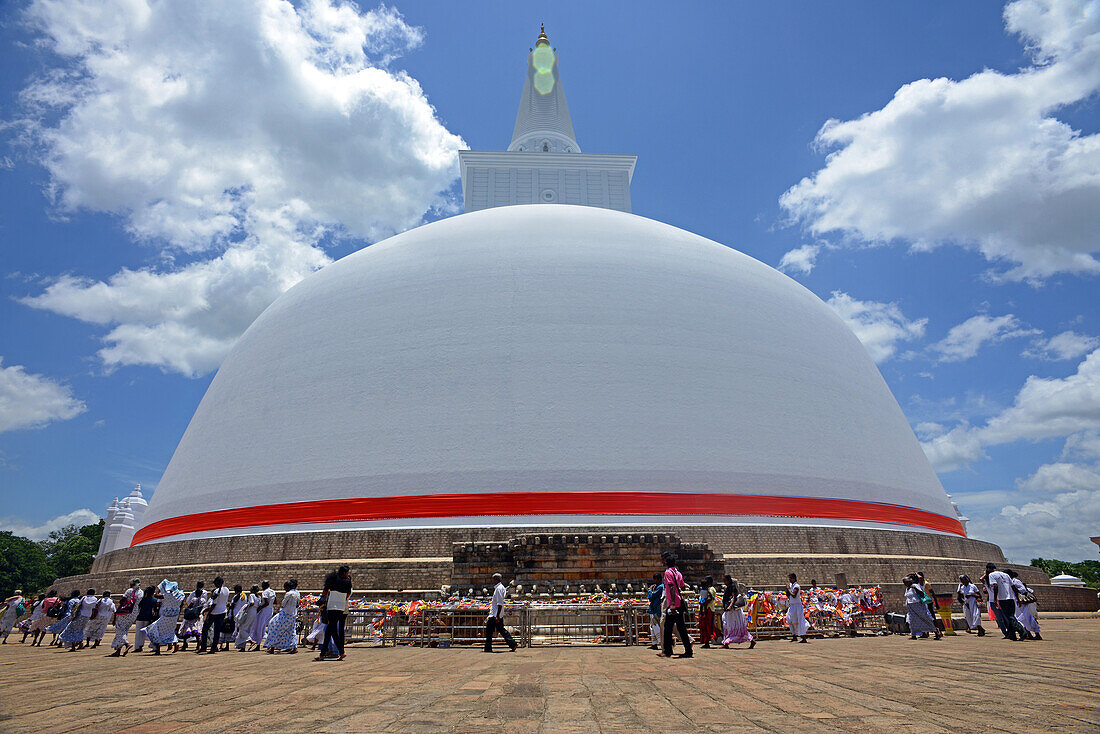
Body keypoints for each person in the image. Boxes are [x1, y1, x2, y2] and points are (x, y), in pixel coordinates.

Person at [659, 553, 692, 658]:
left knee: (668, 628)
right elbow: (682, 586)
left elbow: (672, 587)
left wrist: (672, 603)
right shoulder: (678, 573)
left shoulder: (668, 573)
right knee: (681, 628)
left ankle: (667, 651)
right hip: (679, 602)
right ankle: (688, 650)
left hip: (673, 603)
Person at [318, 566, 351, 661]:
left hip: (332, 607)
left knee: (330, 630)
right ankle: (325, 653)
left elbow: (325, 591)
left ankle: (338, 652)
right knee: (330, 630)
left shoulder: (332, 580)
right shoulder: (347, 582)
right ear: (344, 573)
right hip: (341, 608)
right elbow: (348, 594)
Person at [145, 580, 184, 655]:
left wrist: (159, 590)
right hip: (174, 615)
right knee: (170, 630)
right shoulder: (181, 595)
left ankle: (158, 650)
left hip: (166, 615)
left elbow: (156, 596)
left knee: (156, 629)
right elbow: (182, 604)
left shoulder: (167, 595)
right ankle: (175, 643)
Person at [986, 563, 1023, 641]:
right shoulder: (1006, 575)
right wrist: (1018, 599)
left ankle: (1022, 631)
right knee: (1010, 617)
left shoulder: (991, 575)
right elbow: (1014, 587)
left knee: (1010, 617)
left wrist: (995, 599)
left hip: (1003, 599)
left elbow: (995, 586)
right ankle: (1012, 635)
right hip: (1011, 598)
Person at [483, 573, 517, 653]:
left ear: (496, 579)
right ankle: (512, 643)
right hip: (497, 614)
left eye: (493, 579)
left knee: (489, 631)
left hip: (495, 614)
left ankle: (488, 648)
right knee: (501, 630)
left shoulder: (498, 589)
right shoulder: (501, 588)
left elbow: (499, 603)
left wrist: (497, 616)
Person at [109, 579, 143, 656]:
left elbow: (122, 600)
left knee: (119, 628)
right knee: (124, 630)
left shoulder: (129, 591)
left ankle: (127, 644)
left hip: (126, 612)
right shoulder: (141, 592)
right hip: (134, 613)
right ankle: (118, 650)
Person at [265, 579, 300, 654]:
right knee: (291, 631)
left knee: (275, 627)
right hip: (293, 614)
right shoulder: (297, 593)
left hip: (285, 613)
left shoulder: (289, 594)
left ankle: (272, 646)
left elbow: (283, 604)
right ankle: (293, 647)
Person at [721, 576, 755, 649]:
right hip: (730, 610)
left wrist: (730, 606)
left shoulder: (732, 587)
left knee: (730, 625)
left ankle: (751, 640)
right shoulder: (729, 587)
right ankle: (726, 642)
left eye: (725, 580)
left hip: (733, 611)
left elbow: (734, 597)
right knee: (727, 625)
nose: (724, 582)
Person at [198, 576, 230, 654]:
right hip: (222, 611)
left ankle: (203, 647)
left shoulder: (216, 591)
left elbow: (213, 604)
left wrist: (208, 614)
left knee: (205, 629)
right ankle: (213, 648)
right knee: (217, 631)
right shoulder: (227, 590)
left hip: (214, 612)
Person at [1007, 570, 1042, 640]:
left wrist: (1015, 591)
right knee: (1022, 619)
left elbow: (1023, 590)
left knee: (1027, 618)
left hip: (1021, 603)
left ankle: (1036, 634)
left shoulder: (1016, 581)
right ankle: (1028, 634)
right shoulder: (1009, 582)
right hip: (1016, 603)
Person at [904, 575, 941, 640]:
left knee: (925, 617)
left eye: (907, 582)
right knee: (912, 620)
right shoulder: (907, 589)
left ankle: (936, 631)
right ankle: (913, 635)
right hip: (911, 607)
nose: (906, 584)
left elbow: (921, 593)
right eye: (905, 583)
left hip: (918, 605)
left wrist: (914, 588)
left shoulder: (915, 586)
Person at [178, 581, 206, 650]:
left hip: (191, 615)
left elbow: (189, 604)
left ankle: (185, 644)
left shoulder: (193, 599)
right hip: (198, 616)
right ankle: (198, 646)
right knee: (198, 630)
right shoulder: (203, 600)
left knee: (186, 628)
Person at [250, 580, 276, 650]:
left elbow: (266, 602)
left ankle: (258, 645)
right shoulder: (273, 591)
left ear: (264, 586)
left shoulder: (265, 592)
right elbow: (275, 601)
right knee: (265, 627)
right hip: (270, 610)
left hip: (265, 610)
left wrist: (259, 608)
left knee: (260, 628)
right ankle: (268, 643)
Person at [132, 585, 158, 653]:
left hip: (140, 617)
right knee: (150, 633)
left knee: (138, 633)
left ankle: (138, 647)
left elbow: (139, 607)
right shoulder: (154, 600)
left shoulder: (142, 599)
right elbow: (155, 610)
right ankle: (154, 646)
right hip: (148, 618)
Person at [235, 585, 260, 652]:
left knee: (242, 628)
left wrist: (246, 606)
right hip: (254, 612)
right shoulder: (259, 597)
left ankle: (251, 641)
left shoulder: (252, 595)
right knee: (247, 628)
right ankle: (242, 646)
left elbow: (252, 603)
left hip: (250, 611)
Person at [697, 576, 719, 648]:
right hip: (703, 609)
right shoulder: (703, 589)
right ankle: (706, 641)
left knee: (708, 626)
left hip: (708, 609)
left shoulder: (711, 589)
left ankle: (716, 636)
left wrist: (704, 604)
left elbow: (709, 598)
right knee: (703, 626)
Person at [786, 574, 809, 643]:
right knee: (789, 619)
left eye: (790, 578)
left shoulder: (796, 586)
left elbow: (793, 595)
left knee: (800, 621)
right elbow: (789, 595)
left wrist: (789, 589)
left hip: (797, 606)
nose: (789, 580)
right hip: (792, 605)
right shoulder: (791, 585)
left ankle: (803, 637)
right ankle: (794, 635)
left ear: (793, 579)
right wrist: (787, 590)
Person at [646, 573, 663, 650]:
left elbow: (652, 596)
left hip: (657, 609)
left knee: (656, 626)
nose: (654, 581)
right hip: (653, 609)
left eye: (655, 579)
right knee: (652, 627)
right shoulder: (656, 587)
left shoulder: (660, 587)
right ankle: (654, 643)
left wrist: (649, 591)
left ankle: (661, 641)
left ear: (659, 579)